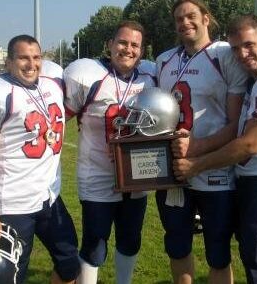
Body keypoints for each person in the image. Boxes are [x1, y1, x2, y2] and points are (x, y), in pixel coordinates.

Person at [173, 14, 257, 284]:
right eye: (235, 48)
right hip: (254, 183)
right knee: (253, 262)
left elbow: (250, 144)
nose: (242, 54)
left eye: (248, 44)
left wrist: (196, 164)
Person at [0, 34, 80, 284]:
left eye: (36, 57)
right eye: (23, 58)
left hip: (49, 197)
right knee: (11, 275)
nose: (31, 64)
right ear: (8, 62)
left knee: (70, 261)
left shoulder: (51, 84)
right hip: (13, 204)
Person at [155, 0, 248, 283]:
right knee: (177, 245)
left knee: (218, 252)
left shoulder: (224, 55)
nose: (185, 22)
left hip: (214, 170)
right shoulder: (163, 60)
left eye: (191, 16)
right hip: (174, 172)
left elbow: (235, 125)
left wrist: (195, 151)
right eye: (179, 18)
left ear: (206, 18)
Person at [63, 21, 156, 284]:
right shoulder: (86, 73)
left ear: (142, 49)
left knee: (130, 239)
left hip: (137, 174)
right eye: (122, 43)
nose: (128, 49)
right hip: (97, 173)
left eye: (134, 45)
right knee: (95, 242)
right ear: (110, 45)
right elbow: (58, 120)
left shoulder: (152, 75)